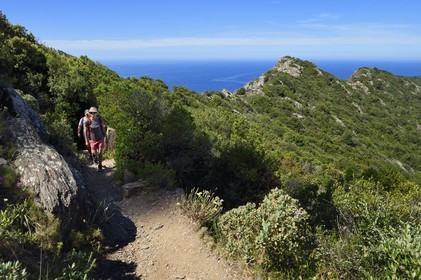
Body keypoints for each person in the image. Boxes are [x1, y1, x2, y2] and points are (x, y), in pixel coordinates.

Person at [85, 107, 106, 171]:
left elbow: (102, 127)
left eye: (94, 113)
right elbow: (86, 131)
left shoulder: (99, 119)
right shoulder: (88, 121)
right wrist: (87, 141)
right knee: (94, 153)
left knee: (100, 152)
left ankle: (100, 165)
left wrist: (105, 135)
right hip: (92, 140)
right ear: (90, 113)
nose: (93, 114)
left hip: (100, 138)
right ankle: (95, 158)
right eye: (91, 113)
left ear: (96, 113)